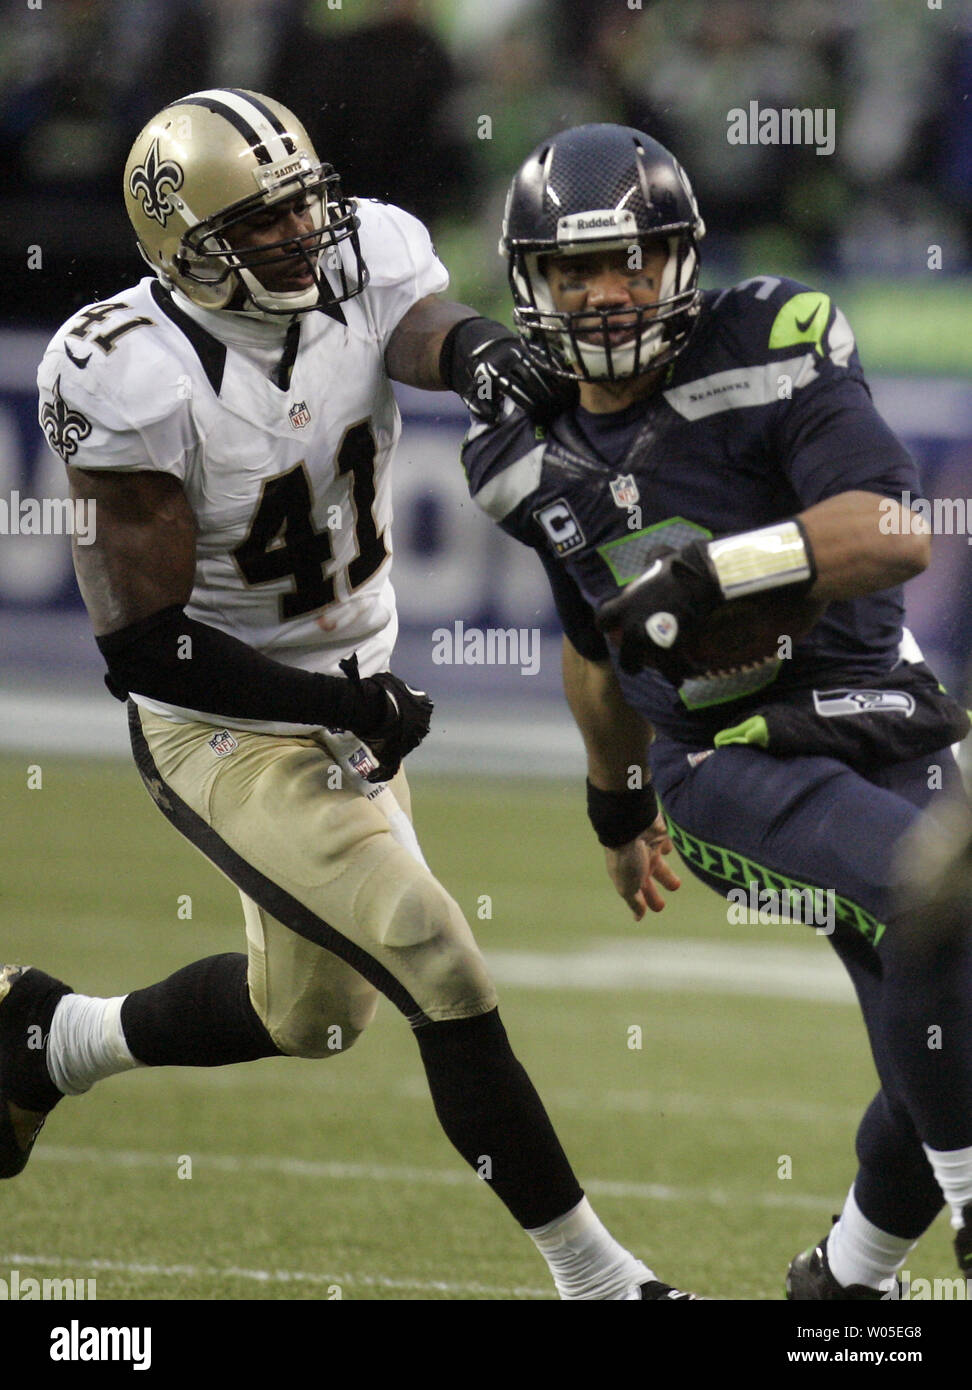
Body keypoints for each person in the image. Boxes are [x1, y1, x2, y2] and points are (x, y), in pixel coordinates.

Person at [15, 90, 697, 1302]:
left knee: (315, 1016)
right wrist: (340, 707)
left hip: (350, 688)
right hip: (221, 722)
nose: (302, 234)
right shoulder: (125, 370)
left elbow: (416, 325)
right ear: (186, 245)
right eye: (262, 221)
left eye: (303, 203)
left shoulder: (361, 251)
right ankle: (598, 1280)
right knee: (436, 950)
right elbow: (147, 650)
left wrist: (482, 352)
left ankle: (42, 1037)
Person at [460, 122, 972, 1299]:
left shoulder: (774, 338)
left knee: (943, 999)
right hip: (724, 754)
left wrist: (723, 573)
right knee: (930, 895)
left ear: (681, 260)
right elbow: (592, 644)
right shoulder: (516, 448)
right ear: (530, 283)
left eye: (631, 259)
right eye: (573, 270)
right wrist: (615, 803)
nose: (604, 293)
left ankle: (845, 1288)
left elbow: (891, 533)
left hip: (884, 705)